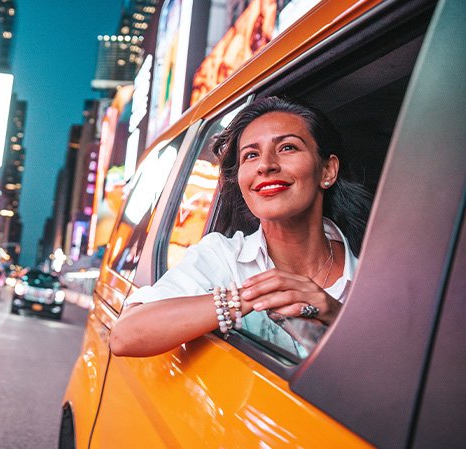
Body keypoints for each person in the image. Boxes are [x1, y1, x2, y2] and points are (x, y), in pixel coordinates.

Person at [109, 97, 372, 359]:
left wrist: (334, 313)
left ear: (327, 171)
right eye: (251, 155)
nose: (265, 165)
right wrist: (246, 298)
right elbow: (124, 336)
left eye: (288, 147)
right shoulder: (222, 256)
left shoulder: (374, 268)